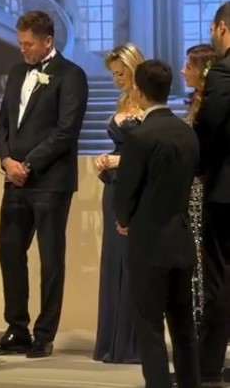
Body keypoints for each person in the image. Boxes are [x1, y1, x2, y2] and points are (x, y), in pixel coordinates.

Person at [0, 10, 88, 358]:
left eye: (28, 44)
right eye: (20, 43)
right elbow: (2, 125)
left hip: (50, 181)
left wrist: (29, 165)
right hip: (14, 179)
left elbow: (66, 131)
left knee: (50, 259)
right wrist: (7, 160)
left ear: (48, 41)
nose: (23, 50)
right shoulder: (17, 73)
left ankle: (44, 334)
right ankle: (16, 328)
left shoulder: (71, 75)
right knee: (9, 249)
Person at [114, 60, 200, 388]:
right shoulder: (187, 132)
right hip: (180, 239)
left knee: (149, 325)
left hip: (148, 243)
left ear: (138, 91)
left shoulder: (140, 136)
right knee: (183, 325)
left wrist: (124, 220)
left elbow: (126, 190)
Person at [93, 43, 145, 364]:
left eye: (121, 73)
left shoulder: (148, 104)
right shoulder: (122, 101)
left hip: (137, 191)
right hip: (114, 189)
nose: (116, 79)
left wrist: (119, 160)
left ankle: (131, 343)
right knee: (114, 260)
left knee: (133, 261)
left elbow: (152, 152)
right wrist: (105, 161)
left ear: (134, 69)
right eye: (113, 74)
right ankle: (112, 341)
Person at [192, 2, 230, 387]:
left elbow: (211, 126)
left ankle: (207, 368)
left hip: (225, 192)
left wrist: (197, 166)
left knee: (219, 278)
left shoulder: (223, 70)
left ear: (221, 28)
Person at [181, 43, 217, 335]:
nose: (183, 71)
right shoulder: (193, 102)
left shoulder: (211, 107)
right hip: (191, 192)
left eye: (188, 67)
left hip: (205, 190)